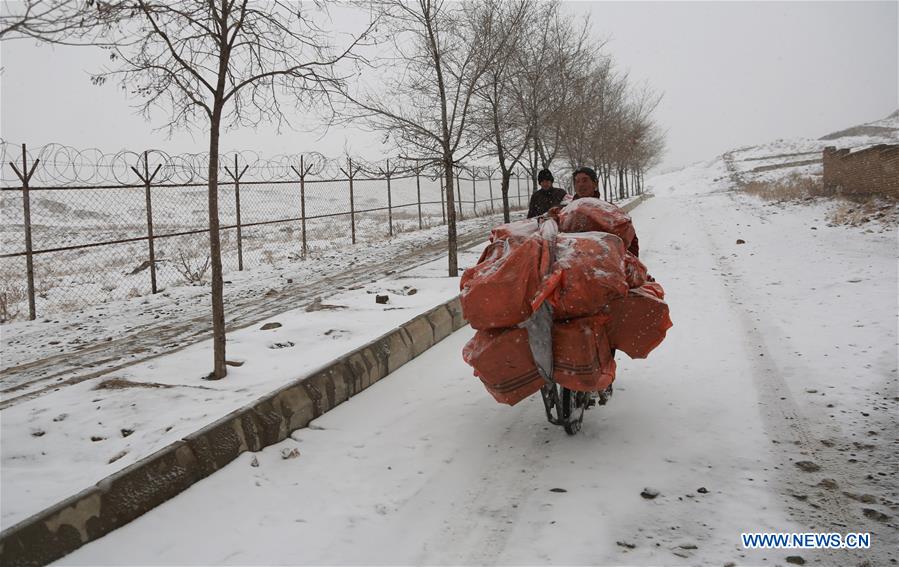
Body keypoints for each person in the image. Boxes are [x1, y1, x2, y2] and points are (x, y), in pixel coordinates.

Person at [571, 165, 640, 257]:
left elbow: (630, 240)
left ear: (595, 183)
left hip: (605, 265)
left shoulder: (610, 210)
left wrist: (630, 262)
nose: (580, 184)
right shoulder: (566, 212)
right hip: (574, 265)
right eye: (577, 181)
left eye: (585, 180)